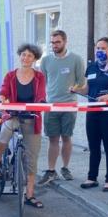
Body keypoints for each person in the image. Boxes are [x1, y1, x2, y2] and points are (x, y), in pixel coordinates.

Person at [0, 43, 46, 207]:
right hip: (13, 115)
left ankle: (29, 195)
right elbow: (4, 90)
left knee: (32, 157)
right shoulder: (11, 75)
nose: (26, 58)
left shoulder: (39, 77)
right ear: (19, 56)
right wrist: (2, 97)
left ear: (34, 59)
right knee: (6, 128)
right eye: (23, 54)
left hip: (31, 117)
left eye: (29, 55)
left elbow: (41, 95)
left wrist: (42, 103)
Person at [74, 37, 108, 191]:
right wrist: (76, 89)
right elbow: (86, 89)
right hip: (93, 111)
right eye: (98, 48)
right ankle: (92, 177)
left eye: (103, 48)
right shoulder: (91, 68)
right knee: (93, 146)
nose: (100, 51)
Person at [37, 30, 85, 185]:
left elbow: (81, 82)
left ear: (65, 41)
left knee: (66, 137)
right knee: (52, 138)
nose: (54, 45)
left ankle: (65, 167)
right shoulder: (45, 60)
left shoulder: (76, 59)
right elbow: (42, 81)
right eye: (52, 42)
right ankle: (51, 171)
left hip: (69, 104)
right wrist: (42, 99)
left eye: (57, 42)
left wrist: (75, 87)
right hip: (51, 105)